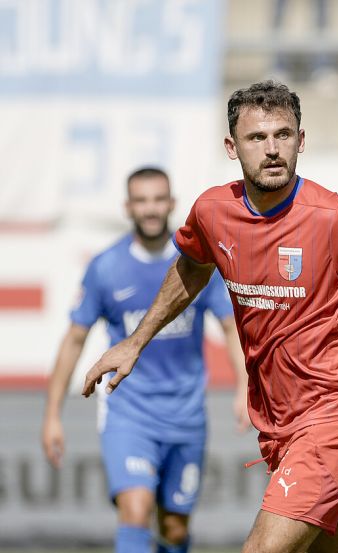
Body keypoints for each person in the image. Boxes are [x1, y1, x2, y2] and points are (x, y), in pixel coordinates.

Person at [80, 81, 338, 553]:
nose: (272, 150)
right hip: (280, 425)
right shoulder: (214, 211)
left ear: (301, 140)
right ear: (232, 148)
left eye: (283, 135)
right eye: (257, 138)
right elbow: (191, 268)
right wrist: (136, 341)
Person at [41, 167, 249, 553]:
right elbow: (74, 340)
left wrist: (244, 387)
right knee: (135, 510)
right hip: (129, 414)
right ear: (128, 207)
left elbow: (230, 327)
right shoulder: (106, 267)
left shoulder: (198, 263)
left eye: (158, 199)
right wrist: (53, 413)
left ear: (171, 203)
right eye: (141, 200)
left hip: (187, 414)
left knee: (173, 528)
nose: (151, 209)